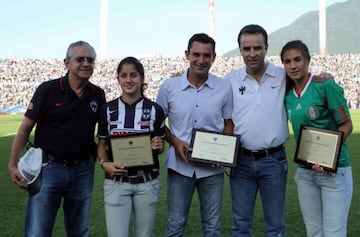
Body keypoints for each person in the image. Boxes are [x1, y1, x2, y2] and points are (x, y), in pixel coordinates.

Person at [8, 40, 106, 237]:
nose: (86, 64)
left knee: (79, 231)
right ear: (66, 63)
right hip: (49, 168)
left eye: (90, 60)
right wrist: (12, 164)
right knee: (38, 231)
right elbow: (25, 129)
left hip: (83, 170)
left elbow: (104, 136)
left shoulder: (98, 94)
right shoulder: (48, 90)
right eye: (80, 59)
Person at [156, 33, 233, 237]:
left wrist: (224, 154)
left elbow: (228, 123)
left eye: (206, 55)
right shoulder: (169, 87)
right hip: (180, 168)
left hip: (212, 171)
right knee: (175, 224)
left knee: (213, 227)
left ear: (214, 57)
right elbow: (157, 124)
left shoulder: (224, 87)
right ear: (187, 54)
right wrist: (175, 141)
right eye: (196, 54)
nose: (201, 60)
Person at [281, 40, 353, 237]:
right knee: (313, 232)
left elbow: (347, 124)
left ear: (308, 60)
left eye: (297, 59)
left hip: (334, 170)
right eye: (287, 62)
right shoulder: (287, 94)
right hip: (305, 173)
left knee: (334, 233)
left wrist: (329, 155)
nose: (293, 65)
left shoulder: (325, 86)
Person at [224, 24, 289, 237]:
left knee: (276, 226)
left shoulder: (282, 76)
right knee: (240, 225)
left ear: (266, 47)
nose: (252, 54)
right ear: (240, 50)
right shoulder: (230, 80)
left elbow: (306, 81)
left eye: (257, 48)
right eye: (246, 48)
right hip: (241, 161)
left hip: (274, 160)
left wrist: (322, 77)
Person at [97, 56, 166, 237]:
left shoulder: (155, 110)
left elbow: (160, 147)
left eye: (133, 75)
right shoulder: (107, 110)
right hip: (117, 183)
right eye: (124, 75)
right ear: (118, 78)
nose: (128, 80)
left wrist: (159, 145)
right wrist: (104, 163)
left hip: (147, 182)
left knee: (144, 234)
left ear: (142, 78)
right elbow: (102, 144)